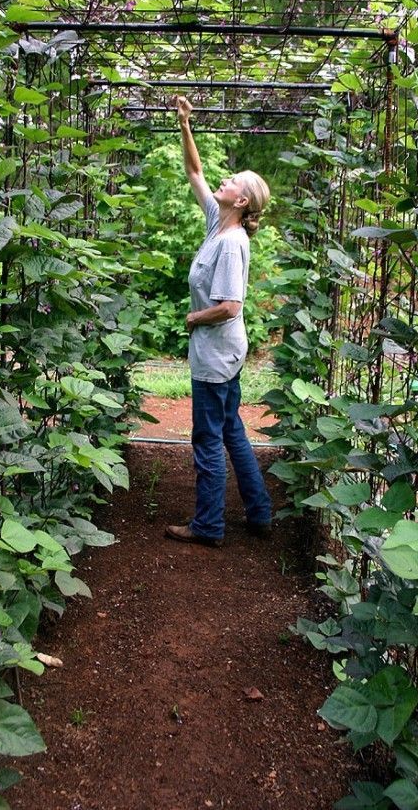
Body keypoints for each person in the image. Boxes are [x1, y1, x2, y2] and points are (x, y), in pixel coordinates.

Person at [165, 96, 273, 548]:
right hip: (225, 353)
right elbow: (195, 173)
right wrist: (186, 124)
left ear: (242, 199)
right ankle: (260, 512)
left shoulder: (231, 244)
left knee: (208, 438)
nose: (222, 180)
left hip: (215, 354)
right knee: (231, 429)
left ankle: (209, 525)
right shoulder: (218, 221)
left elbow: (230, 305)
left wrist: (193, 316)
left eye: (232, 181)